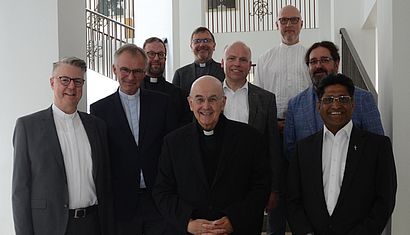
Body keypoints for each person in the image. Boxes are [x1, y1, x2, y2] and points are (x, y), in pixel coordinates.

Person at [153, 75, 271, 234]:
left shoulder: (249, 138)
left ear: (223, 103)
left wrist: (234, 220)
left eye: (213, 99)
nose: (206, 106)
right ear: (190, 103)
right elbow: (162, 191)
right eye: (199, 99)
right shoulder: (173, 142)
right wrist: (188, 222)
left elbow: (261, 187)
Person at [12, 57, 114, 235]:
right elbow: (20, 191)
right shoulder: (28, 127)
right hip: (51, 227)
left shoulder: (97, 126)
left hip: (93, 224)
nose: (71, 87)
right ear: (52, 82)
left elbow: (105, 180)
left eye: (78, 81)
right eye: (64, 80)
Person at [286, 73, 397, 235]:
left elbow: (384, 200)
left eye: (343, 99)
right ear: (319, 106)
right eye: (329, 99)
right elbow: (293, 199)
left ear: (353, 104)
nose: (336, 105)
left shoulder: (378, 146)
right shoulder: (303, 149)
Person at [90, 44, 177, 234]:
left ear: (144, 71)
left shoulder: (162, 103)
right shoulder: (99, 110)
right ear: (114, 70)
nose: (131, 77)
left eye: (137, 71)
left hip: (158, 202)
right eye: (125, 70)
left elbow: (171, 151)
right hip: (121, 205)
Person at [254, 5, 310, 234]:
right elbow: (258, 98)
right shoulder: (265, 59)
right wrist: (272, 124)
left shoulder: (310, 58)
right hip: (273, 132)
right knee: (276, 188)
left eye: (293, 20)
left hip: (304, 133)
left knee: (304, 185)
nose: (288, 25)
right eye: (284, 20)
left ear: (301, 24)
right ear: (276, 24)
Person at [284, 41, 384, 159]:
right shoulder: (295, 105)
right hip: (310, 176)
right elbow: (290, 151)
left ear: (336, 64)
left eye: (325, 60)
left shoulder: (362, 98)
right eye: (313, 62)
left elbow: (377, 145)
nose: (318, 66)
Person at [221, 41, 283, 223]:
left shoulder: (266, 99)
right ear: (222, 63)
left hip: (253, 186)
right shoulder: (211, 95)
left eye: (243, 60)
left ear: (250, 64)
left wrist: (274, 188)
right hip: (216, 183)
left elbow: (273, 146)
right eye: (231, 58)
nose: (237, 64)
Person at [142, 37, 192, 126]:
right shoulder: (134, 92)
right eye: (151, 54)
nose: (156, 58)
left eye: (161, 54)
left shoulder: (179, 95)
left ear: (165, 59)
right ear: (143, 57)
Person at [172, 26, 225, 92]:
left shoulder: (223, 71)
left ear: (214, 46)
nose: (202, 44)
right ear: (191, 47)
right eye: (197, 41)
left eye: (206, 41)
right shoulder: (180, 74)